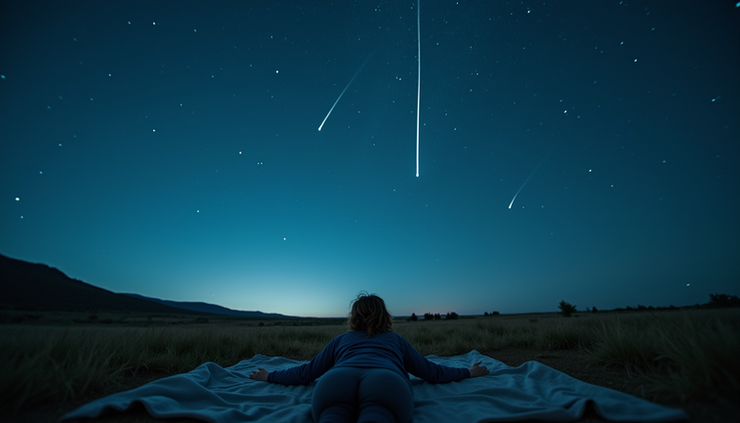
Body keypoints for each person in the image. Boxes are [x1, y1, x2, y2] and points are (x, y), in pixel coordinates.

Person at [249, 292, 489, 423]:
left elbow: (306, 373)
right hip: (386, 383)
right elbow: (431, 372)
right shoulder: (396, 340)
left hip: (336, 381)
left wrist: (269, 376)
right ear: (385, 315)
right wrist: (468, 372)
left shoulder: (341, 340)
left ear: (354, 317)